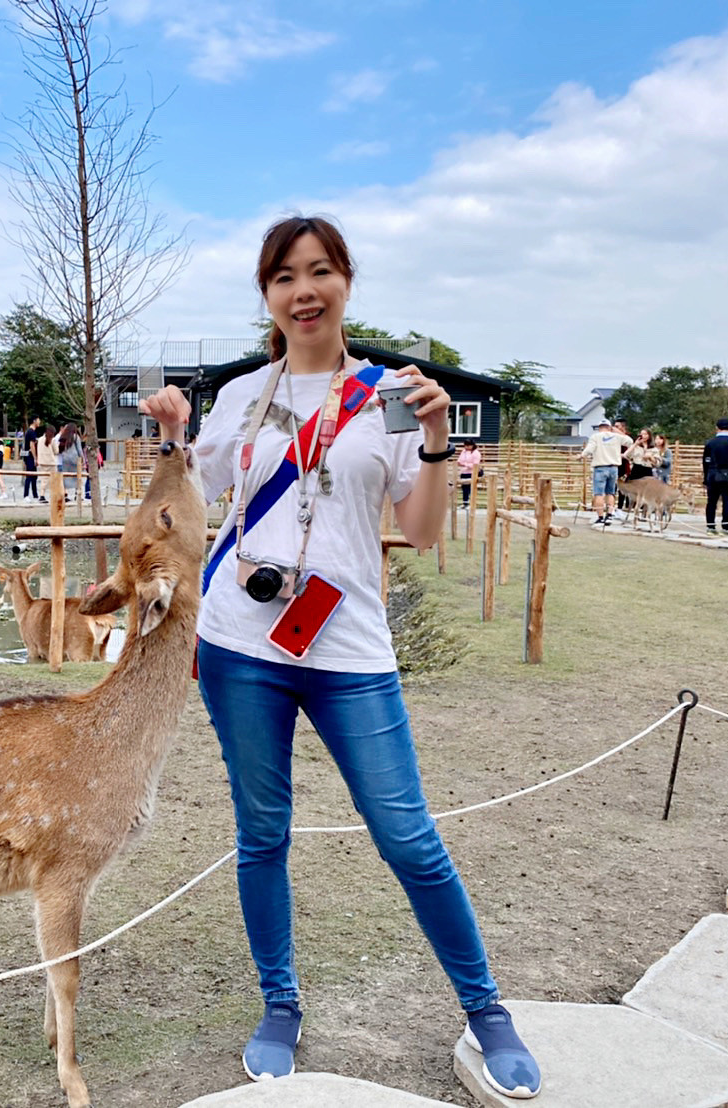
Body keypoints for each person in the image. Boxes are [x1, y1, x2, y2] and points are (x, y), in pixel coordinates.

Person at [140, 215, 541, 1100]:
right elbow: (194, 491)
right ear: (268, 296)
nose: (303, 290)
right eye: (285, 277)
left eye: (320, 272)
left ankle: (486, 1011)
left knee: (408, 837)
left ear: (347, 282)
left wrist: (435, 441)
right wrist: (173, 433)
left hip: (349, 646)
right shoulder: (244, 394)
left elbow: (424, 529)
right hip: (241, 645)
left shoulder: (392, 394)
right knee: (262, 834)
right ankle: (280, 1004)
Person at [580, 416, 632, 525]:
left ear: (599, 428)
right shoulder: (616, 437)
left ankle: (600, 517)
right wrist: (617, 431)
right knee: (610, 492)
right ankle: (609, 515)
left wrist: (581, 455)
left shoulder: (595, 437)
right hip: (613, 468)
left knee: (599, 493)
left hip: (600, 467)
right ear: (610, 427)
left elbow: (589, 449)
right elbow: (630, 441)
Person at [702, 418, 728, 535]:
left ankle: (710, 526)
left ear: (717, 428)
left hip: (712, 474)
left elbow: (705, 461)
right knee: (727, 501)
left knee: (711, 502)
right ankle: (726, 527)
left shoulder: (710, 443)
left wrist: (706, 478)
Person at [55, 422, 83, 500]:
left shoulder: (63, 436)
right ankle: (77, 494)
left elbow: (59, 449)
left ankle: (64, 494)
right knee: (77, 476)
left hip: (65, 459)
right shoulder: (76, 437)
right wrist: (82, 458)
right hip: (74, 459)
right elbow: (79, 450)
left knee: (64, 476)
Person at [35, 424, 57, 502]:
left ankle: (42, 495)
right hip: (51, 462)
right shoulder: (52, 440)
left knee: (44, 479)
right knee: (53, 480)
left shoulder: (40, 439)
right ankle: (53, 495)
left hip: (42, 461)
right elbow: (56, 451)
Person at [457, 441, 482, 506]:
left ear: (472, 445)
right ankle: (465, 503)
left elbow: (475, 464)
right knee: (464, 488)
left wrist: (465, 464)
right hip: (464, 472)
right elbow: (459, 461)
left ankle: (472, 503)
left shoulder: (476, 453)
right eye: (465, 446)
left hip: (472, 472)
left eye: (468, 446)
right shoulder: (463, 452)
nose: (466, 447)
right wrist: (465, 464)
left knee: (471, 488)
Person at [22, 417, 41, 502]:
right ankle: (26, 495)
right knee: (29, 475)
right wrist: (35, 458)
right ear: (34, 421)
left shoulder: (29, 431)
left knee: (34, 476)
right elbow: (31, 445)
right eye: (38, 420)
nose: (39, 422)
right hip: (30, 456)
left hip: (28, 455)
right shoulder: (31, 432)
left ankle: (35, 494)